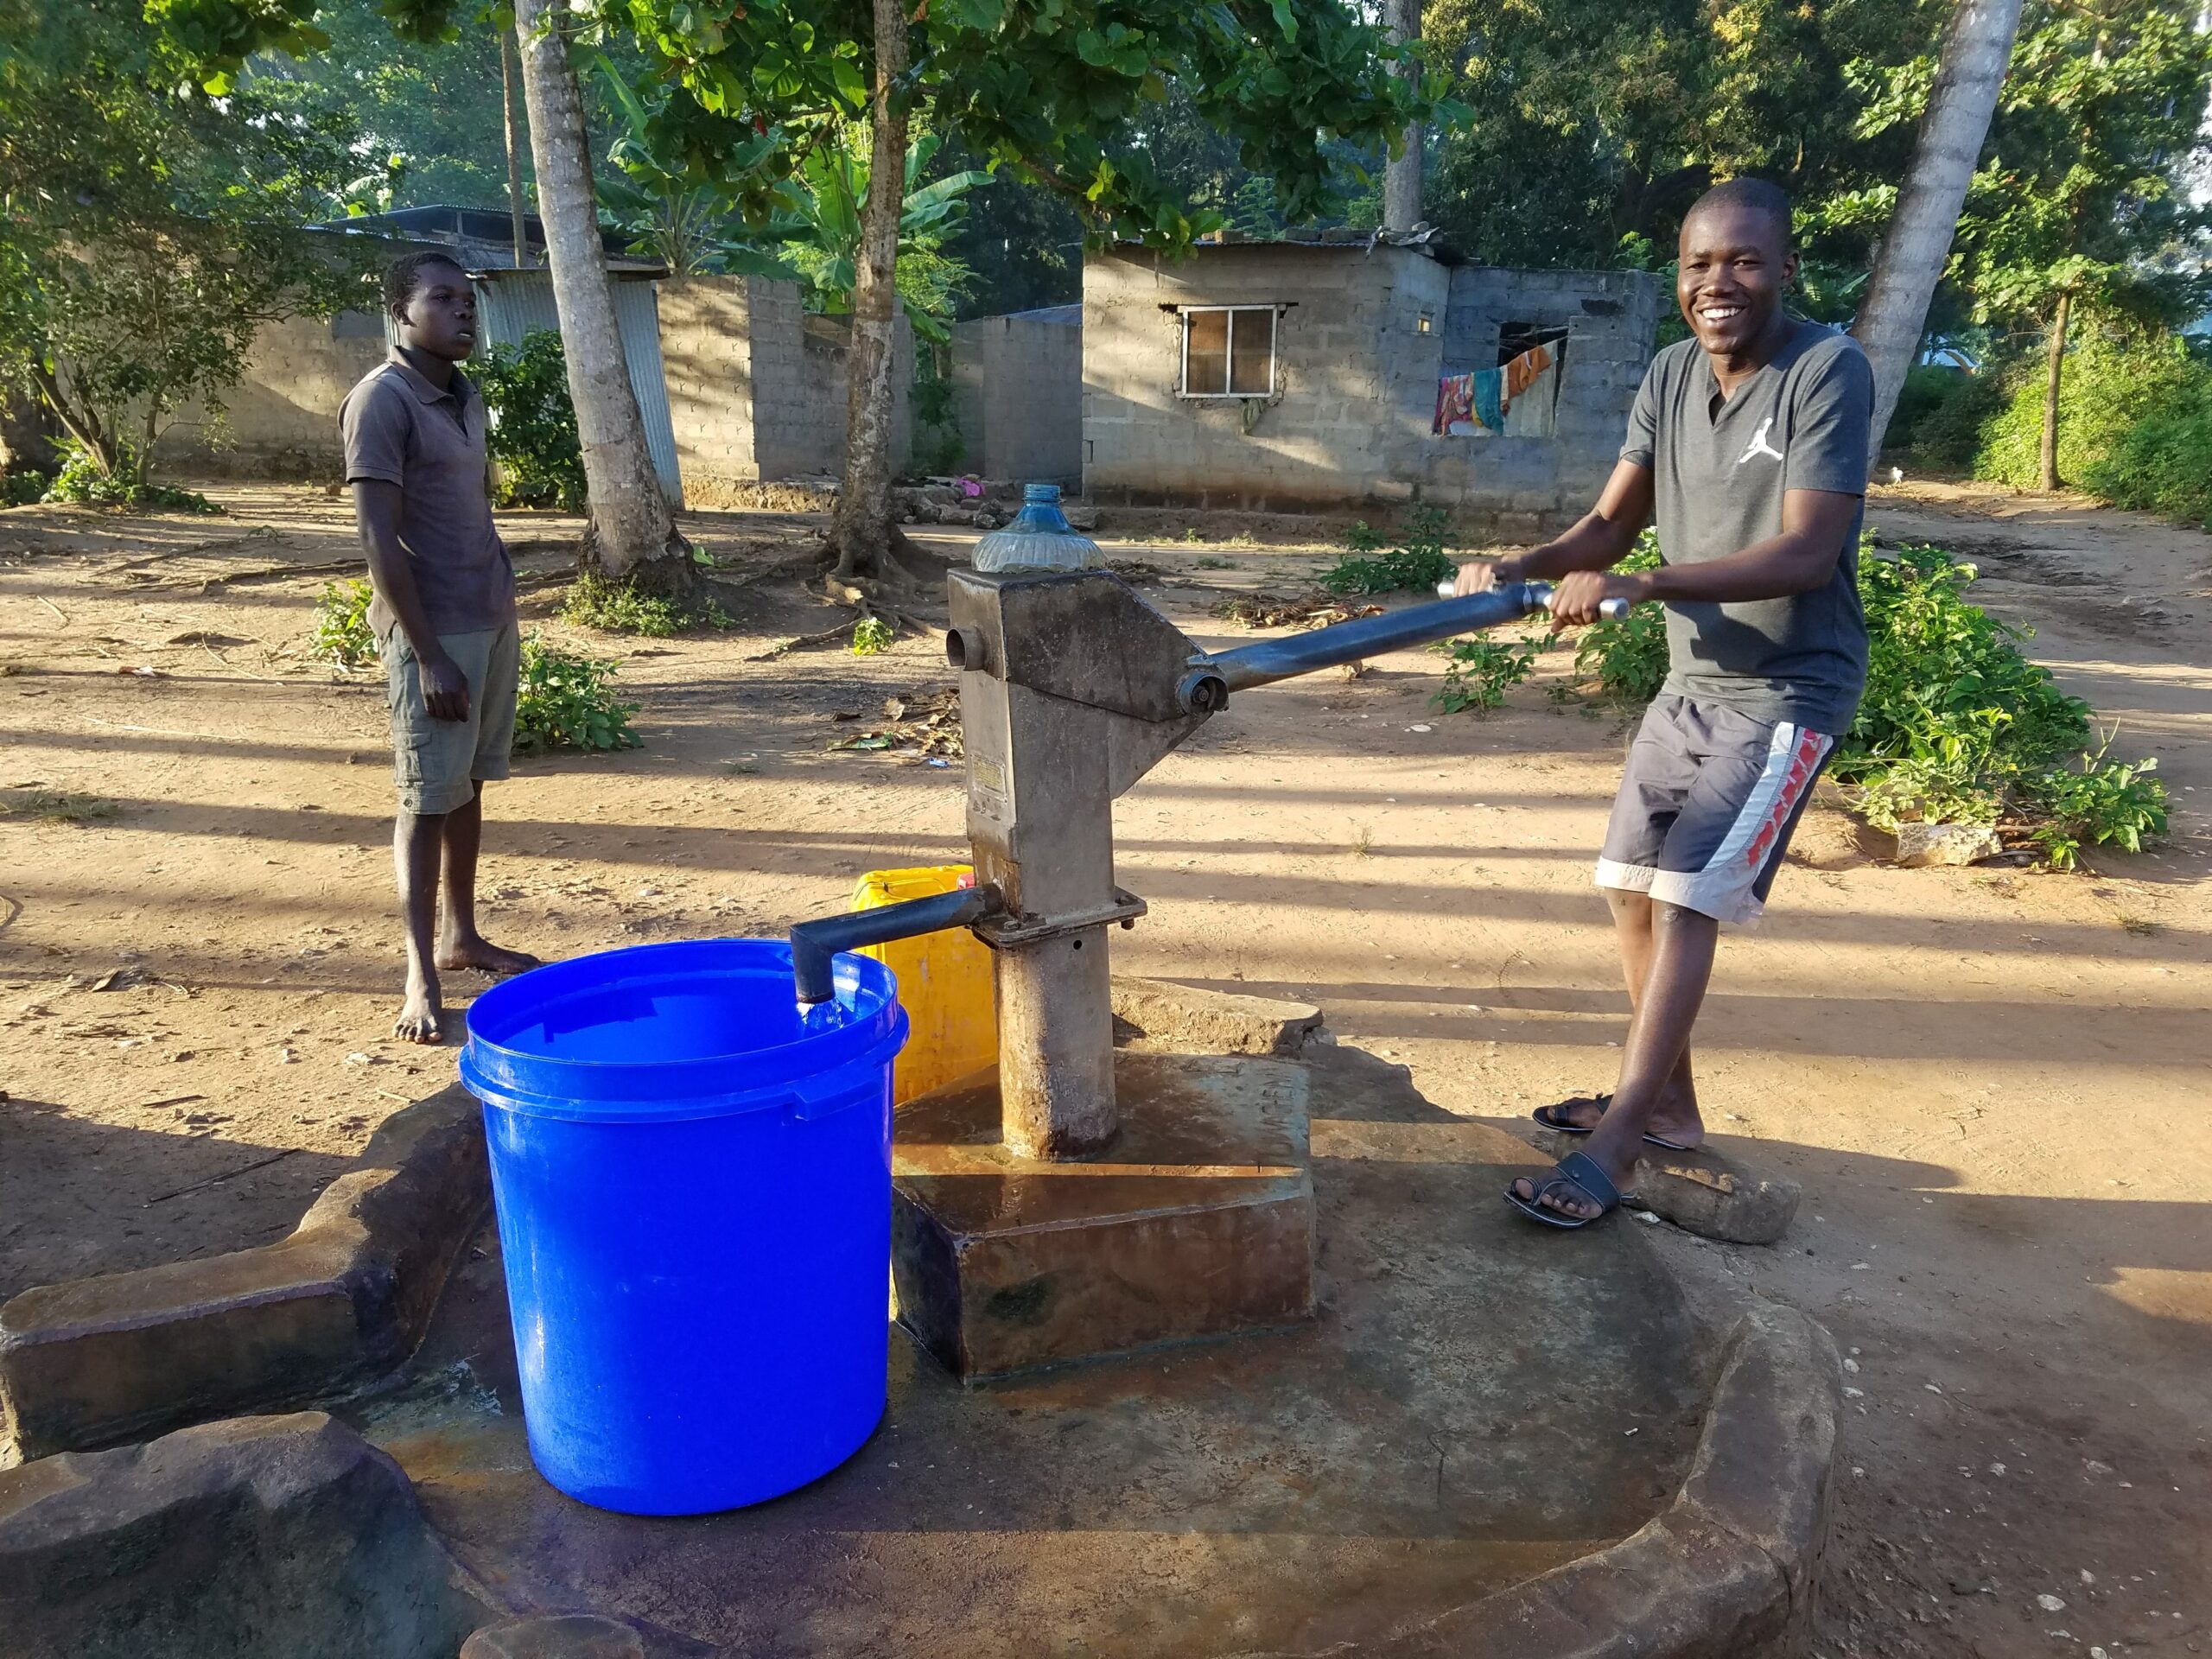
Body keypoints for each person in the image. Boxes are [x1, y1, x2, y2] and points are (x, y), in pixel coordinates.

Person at [1452, 178, 1872, 1227]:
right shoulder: (1671, 373)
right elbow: (1606, 525)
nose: (1716, 283)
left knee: (1685, 895)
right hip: (1692, 681)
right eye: (1697, 264)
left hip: (1789, 687)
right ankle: (1672, 1108)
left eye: (1741, 261)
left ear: (1782, 268)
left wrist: (1641, 587)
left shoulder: (1826, 370)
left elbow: (1807, 553)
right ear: (1676, 274)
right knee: (1628, 885)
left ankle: (1621, 1141)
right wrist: (1521, 562)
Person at [341, 251, 540, 1044]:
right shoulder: (381, 402)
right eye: (443, 299)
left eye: (469, 300)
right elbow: (375, 539)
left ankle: (463, 936)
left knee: (468, 785)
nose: (464, 312)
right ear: (400, 313)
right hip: (436, 630)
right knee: (426, 801)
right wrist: (428, 654)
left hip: (488, 616)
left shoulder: (465, 396)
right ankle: (420, 973)